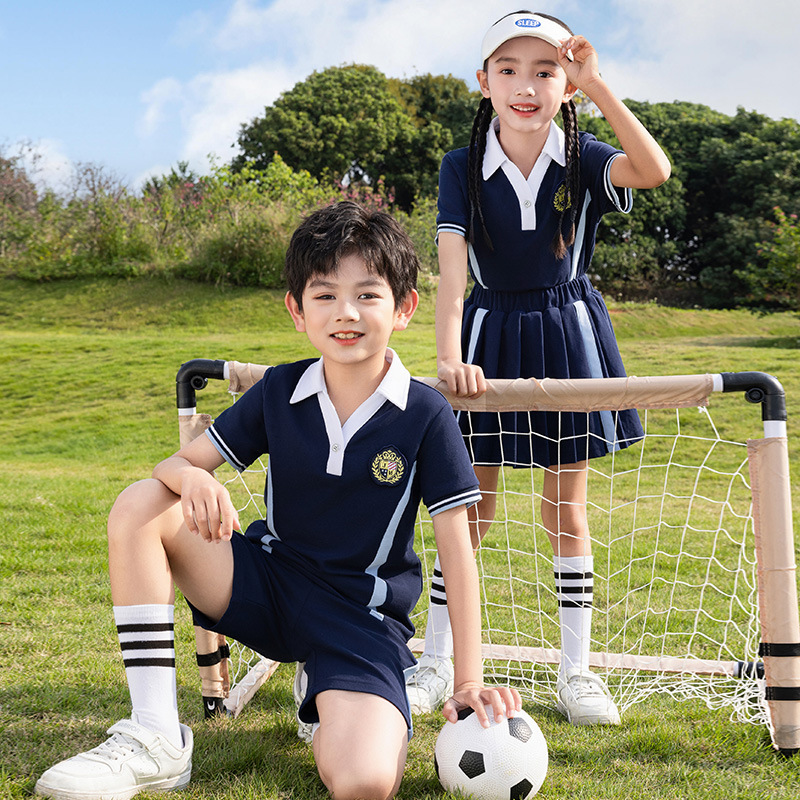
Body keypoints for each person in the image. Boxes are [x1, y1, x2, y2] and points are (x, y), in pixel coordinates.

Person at [34, 201, 521, 800]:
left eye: (367, 295)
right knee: (143, 504)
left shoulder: (426, 414)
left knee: (365, 782)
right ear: (297, 310)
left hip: (358, 622)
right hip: (268, 584)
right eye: (325, 295)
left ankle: (327, 695)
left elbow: (458, 552)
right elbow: (173, 467)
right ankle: (156, 737)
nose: (346, 313)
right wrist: (194, 479)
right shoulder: (279, 390)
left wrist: (468, 679)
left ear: (404, 308)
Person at [406, 11, 671, 726]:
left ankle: (576, 673)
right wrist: (449, 357)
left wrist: (600, 85)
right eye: (509, 70)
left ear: (567, 85)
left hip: (567, 334)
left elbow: (653, 169)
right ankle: (437, 660)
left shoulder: (583, 156)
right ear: (484, 81)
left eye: (546, 71)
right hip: (487, 336)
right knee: (469, 508)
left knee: (565, 509)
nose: (526, 86)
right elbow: (453, 278)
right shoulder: (461, 165)